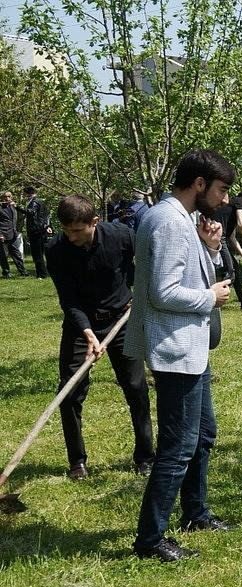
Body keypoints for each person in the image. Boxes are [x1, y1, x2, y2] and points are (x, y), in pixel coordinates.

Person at [125, 149, 237, 562]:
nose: (225, 199)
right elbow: (162, 292)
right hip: (175, 349)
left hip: (191, 348)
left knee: (202, 434)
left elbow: (183, 274)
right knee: (178, 445)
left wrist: (209, 250)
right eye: (222, 189)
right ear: (200, 184)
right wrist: (210, 296)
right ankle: (150, 539)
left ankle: (195, 513)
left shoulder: (182, 220)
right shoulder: (169, 222)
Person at [46, 195, 155, 480]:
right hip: (79, 323)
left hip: (122, 319)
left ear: (95, 222)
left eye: (77, 230)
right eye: (67, 230)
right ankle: (77, 462)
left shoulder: (120, 236)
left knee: (135, 387)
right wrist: (87, 333)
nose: (71, 237)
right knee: (70, 393)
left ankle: (145, 456)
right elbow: (68, 300)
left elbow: (146, 259)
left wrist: (138, 293)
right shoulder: (56, 250)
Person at [210, 190, 242, 309]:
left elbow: (233, 239)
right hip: (218, 238)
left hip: (221, 238)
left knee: (235, 269)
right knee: (230, 272)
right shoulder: (240, 201)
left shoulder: (229, 214)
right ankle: (214, 300)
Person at [19, 185, 52, 279]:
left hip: (35, 230)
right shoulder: (41, 202)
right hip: (41, 230)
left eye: (24, 193)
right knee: (40, 253)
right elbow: (46, 215)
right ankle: (42, 273)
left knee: (37, 253)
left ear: (28, 193)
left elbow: (30, 212)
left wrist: (17, 207)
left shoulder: (34, 202)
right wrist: (47, 226)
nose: (24, 195)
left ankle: (41, 274)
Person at [0, 190, 26, 277]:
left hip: (13, 233)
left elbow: (19, 219)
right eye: (5, 197)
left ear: (11, 197)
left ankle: (23, 271)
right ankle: (6, 272)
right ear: (2, 198)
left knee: (16, 253)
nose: (7, 198)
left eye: (9, 196)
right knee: (3, 254)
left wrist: (18, 230)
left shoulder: (13, 207)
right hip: (3, 234)